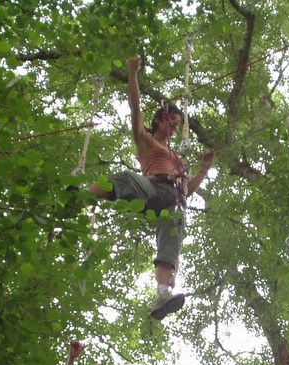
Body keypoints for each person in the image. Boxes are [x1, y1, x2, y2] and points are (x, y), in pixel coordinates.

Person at [86, 56, 215, 320]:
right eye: (172, 121)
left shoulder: (177, 161)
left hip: (175, 202)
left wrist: (203, 169)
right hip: (153, 188)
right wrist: (133, 73)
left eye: (178, 125)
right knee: (127, 178)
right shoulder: (146, 140)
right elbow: (135, 109)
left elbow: (187, 190)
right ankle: (81, 196)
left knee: (171, 242)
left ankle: (162, 293)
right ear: (159, 121)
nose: (175, 127)